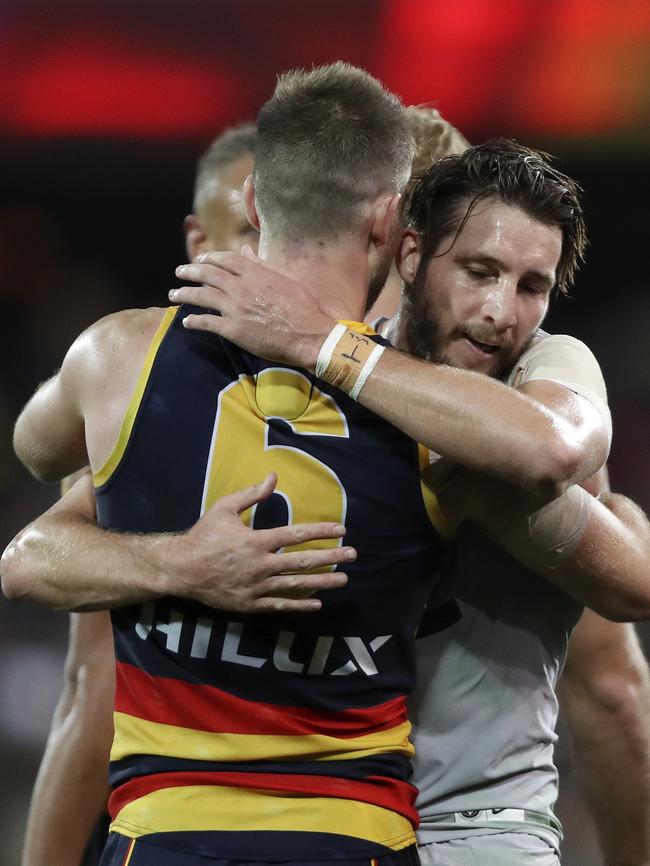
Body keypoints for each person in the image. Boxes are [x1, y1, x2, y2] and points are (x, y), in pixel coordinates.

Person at [4, 92, 650, 865]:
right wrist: (182, 559)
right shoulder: (256, 387)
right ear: (400, 242)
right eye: (476, 266)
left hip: (462, 825)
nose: (498, 310)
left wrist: (319, 342)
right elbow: (39, 565)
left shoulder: (531, 384)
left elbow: (599, 559)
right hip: (371, 825)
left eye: (527, 284)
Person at [3, 62, 454, 865]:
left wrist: (166, 538)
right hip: (359, 837)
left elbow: (35, 453)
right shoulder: (442, 412)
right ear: (390, 221)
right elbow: (592, 521)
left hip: (169, 833)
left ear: (252, 203)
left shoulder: (118, 356)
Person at [17, 124, 262, 866]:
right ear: (198, 242)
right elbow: (92, 700)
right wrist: (182, 563)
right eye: (247, 233)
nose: (270, 262)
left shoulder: (395, 401)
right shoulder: (140, 410)